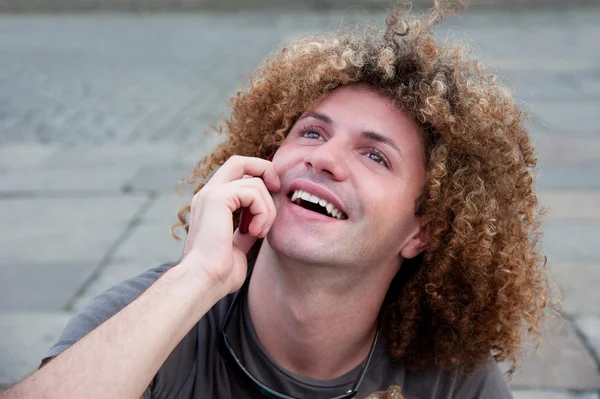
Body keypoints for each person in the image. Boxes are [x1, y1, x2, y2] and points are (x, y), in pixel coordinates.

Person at [1, 2, 550, 398]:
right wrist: (200, 275)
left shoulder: (452, 380)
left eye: (375, 156)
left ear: (420, 231)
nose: (326, 158)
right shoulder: (152, 320)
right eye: (311, 132)